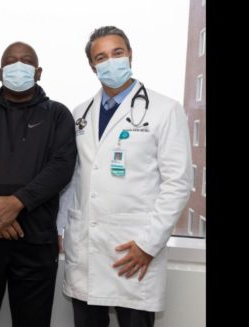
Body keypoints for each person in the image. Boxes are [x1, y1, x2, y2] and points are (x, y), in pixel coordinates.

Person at [57, 26, 192, 327]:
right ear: (92, 66)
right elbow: (74, 179)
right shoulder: (81, 113)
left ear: (130, 54)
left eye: (117, 53)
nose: (110, 62)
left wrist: (148, 244)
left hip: (135, 249)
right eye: (100, 57)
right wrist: (60, 229)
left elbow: (178, 184)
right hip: (88, 249)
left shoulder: (164, 110)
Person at [0, 41, 77, 327]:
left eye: (26, 60)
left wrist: (16, 203)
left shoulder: (58, 115)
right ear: (0, 71)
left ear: (38, 72)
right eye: (11, 61)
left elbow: (61, 167)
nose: (18, 65)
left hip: (35, 241)